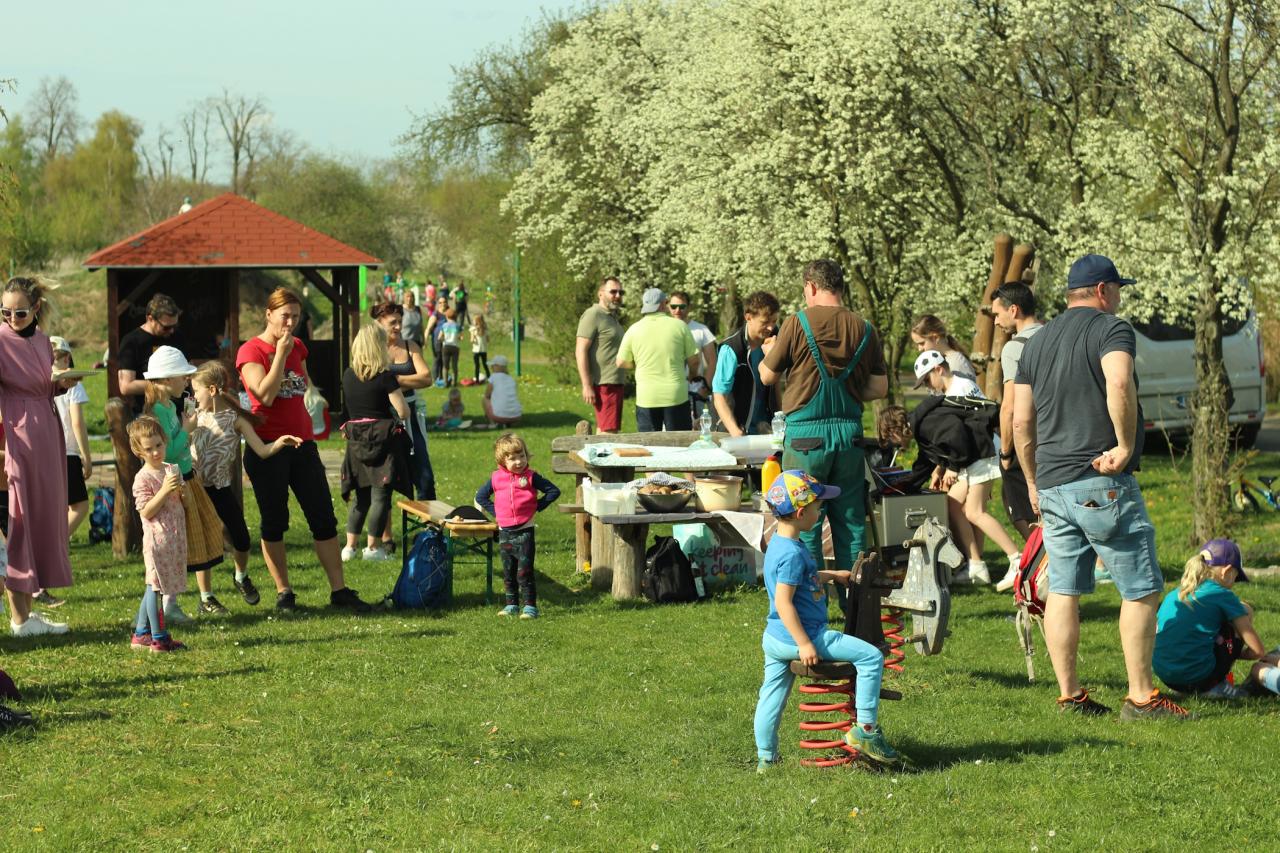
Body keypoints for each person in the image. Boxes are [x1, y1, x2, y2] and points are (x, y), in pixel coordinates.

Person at [1012, 253, 1189, 719]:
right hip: (1100, 478)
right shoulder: (1112, 329)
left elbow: (1021, 421)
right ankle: (1142, 696)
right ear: (1103, 290)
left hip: (1052, 483)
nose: (1119, 299)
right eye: (1118, 290)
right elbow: (1119, 383)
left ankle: (1070, 695)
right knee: (1141, 587)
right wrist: (1126, 446)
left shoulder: (1036, 342)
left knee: (1063, 589)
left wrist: (1031, 480)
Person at [752, 469, 904, 773]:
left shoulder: (778, 545)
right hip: (804, 635)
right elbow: (783, 602)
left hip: (775, 637)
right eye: (817, 507)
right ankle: (866, 731)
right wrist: (805, 643)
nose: (820, 512)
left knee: (771, 695)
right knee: (871, 657)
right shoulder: (793, 554)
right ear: (800, 513)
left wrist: (832, 575)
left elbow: (799, 580)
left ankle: (766, 758)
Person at [236, 287, 373, 614]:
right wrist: (280, 355)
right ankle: (284, 593)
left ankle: (339, 591)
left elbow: (303, 386)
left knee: (323, 517)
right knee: (274, 522)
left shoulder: (298, 346)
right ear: (268, 314)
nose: (291, 323)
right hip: (269, 447)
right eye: (285, 316)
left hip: (303, 444)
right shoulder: (251, 351)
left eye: (296, 317)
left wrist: (316, 407)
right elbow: (264, 395)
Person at [759, 260, 888, 575]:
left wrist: (769, 352)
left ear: (812, 286)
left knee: (803, 522)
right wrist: (848, 386)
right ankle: (856, 597)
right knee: (851, 523)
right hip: (849, 437)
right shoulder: (865, 328)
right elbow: (879, 387)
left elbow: (767, 376)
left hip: (806, 439)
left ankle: (810, 596)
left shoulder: (797, 323)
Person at [879, 387, 1019, 586]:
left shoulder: (925, 424)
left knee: (975, 512)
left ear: (893, 430)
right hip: (972, 457)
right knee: (952, 505)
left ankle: (1017, 560)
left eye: (891, 440)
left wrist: (952, 467)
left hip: (982, 452)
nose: (897, 446)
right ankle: (976, 567)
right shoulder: (921, 428)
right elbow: (924, 463)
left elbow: (957, 433)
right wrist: (901, 487)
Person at [190, 361, 302, 607]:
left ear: (211, 390)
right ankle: (206, 598)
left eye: (196, 391)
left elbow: (261, 450)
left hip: (220, 489)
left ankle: (240, 576)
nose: (193, 396)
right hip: (197, 489)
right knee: (205, 542)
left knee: (241, 539)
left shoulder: (235, 420)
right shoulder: (195, 417)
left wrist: (280, 442)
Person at [1, 277, 75, 637]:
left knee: (43, 519)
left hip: (47, 432)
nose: (12, 319)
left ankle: (27, 614)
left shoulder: (45, 341)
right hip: (18, 437)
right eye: (5, 312)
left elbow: (44, 385)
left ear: (35, 309)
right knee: (20, 523)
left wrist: (61, 383)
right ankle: (19, 620)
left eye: (19, 312)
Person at [143, 346, 229, 620]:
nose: (187, 381)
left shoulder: (170, 406)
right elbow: (165, 452)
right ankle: (167, 605)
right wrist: (187, 430)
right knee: (172, 543)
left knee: (187, 538)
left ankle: (173, 602)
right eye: (183, 376)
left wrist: (185, 430)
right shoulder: (157, 411)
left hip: (185, 477)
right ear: (168, 379)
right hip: (171, 484)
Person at [1154, 539, 1280, 699]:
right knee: (1245, 610)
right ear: (1227, 571)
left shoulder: (1175, 594)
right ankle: (1215, 686)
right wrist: (1240, 654)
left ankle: (1185, 687)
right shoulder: (1223, 594)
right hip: (1199, 678)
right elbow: (1258, 650)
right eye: (1235, 577)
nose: (1233, 584)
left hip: (1166, 676)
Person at [340, 324, 413, 563]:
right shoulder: (385, 376)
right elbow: (403, 411)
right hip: (383, 441)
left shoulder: (348, 375)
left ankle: (349, 548)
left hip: (356, 442)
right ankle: (372, 548)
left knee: (360, 496)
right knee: (380, 496)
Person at [990, 282, 1043, 590]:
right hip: (1061, 436)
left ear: (1014, 310)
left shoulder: (1015, 347)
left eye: (998, 314)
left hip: (1031, 439)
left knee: (1022, 507)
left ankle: (1040, 567)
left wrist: (1007, 453)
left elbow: (1010, 407)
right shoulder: (1054, 335)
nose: (996, 321)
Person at [475, 433, 561, 619]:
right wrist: (497, 512)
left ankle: (530, 607)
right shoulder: (496, 478)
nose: (519, 462)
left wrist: (536, 506)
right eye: (512, 458)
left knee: (524, 572)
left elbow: (553, 491)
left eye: (521, 456)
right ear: (502, 461)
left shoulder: (530, 477)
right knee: (509, 572)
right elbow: (480, 497)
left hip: (524, 532)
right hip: (504, 533)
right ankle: (511, 604)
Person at [127, 416, 188, 653]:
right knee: (155, 587)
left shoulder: (171, 469)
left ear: (165, 441)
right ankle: (159, 638)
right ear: (138, 451)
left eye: (159, 445)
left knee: (154, 585)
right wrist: (164, 490)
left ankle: (141, 633)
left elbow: (183, 502)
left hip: (173, 538)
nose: (155, 452)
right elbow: (146, 510)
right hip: (156, 541)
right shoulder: (142, 478)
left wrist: (182, 492)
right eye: (148, 449)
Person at [372, 302, 436, 505]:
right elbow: (368, 380)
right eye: (393, 322)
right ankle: (384, 524)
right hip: (382, 418)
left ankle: (429, 523)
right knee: (383, 481)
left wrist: (395, 381)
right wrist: (407, 381)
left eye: (400, 321)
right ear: (379, 322)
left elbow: (426, 378)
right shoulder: (372, 349)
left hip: (410, 417)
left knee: (425, 476)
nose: (399, 327)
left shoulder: (411, 346)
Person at [616, 287, 699, 432]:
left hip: (647, 396)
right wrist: (692, 375)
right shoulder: (680, 326)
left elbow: (621, 362)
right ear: (663, 304)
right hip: (676, 395)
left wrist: (638, 364)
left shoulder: (634, 329)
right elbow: (694, 360)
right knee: (679, 442)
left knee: (650, 443)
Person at [713, 291, 780, 437]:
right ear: (748, 317)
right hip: (738, 430)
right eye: (765, 322)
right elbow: (719, 396)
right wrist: (734, 431)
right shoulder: (732, 348)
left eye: (774, 321)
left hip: (768, 428)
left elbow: (779, 385)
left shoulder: (776, 339)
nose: (770, 327)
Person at [117, 293, 186, 416]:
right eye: (166, 327)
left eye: (175, 326)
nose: (172, 331)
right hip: (150, 413)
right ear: (150, 319)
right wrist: (164, 385)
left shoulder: (177, 336)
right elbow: (126, 386)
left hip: (179, 411)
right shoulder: (132, 341)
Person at [51, 336, 92, 542]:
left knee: (56, 504)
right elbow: (77, 422)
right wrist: (86, 456)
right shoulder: (73, 384)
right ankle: (56, 543)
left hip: (46, 452)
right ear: (67, 358)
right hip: (68, 452)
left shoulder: (41, 382)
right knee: (80, 506)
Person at [575, 277, 626, 434]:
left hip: (615, 383)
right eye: (613, 292)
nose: (618, 295)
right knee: (608, 434)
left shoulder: (611, 317)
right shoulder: (593, 314)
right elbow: (580, 350)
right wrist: (586, 385)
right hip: (605, 384)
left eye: (621, 292)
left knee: (606, 431)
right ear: (601, 293)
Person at [667, 290, 718, 422]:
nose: (677, 310)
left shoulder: (701, 330)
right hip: (670, 391)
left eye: (682, 306)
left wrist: (706, 388)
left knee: (696, 428)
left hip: (694, 391)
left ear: (689, 307)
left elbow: (712, 361)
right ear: (668, 307)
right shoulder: (663, 329)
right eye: (673, 306)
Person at [911, 314, 976, 387]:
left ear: (935, 338)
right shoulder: (938, 360)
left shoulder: (956, 363)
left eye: (922, 343)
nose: (919, 349)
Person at [913, 349, 983, 398]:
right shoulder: (943, 394)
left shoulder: (962, 388)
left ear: (939, 370)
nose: (927, 386)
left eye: (927, 380)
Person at [483, 355, 522, 427]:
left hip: (498, 417)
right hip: (517, 416)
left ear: (497, 366)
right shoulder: (511, 379)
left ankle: (492, 423)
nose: (491, 368)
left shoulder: (493, 377)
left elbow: (487, 395)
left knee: (485, 399)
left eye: (493, 366)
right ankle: (508, 422)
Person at [425, 295, 449, 386]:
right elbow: (428, 328)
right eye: (440, 302)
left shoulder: (449, 313)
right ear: (438, 304)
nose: (443, 304)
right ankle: (434, 379)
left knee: (444, 359)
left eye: (444, 302)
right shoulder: (436, 314)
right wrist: (425, 340)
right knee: (437, 359)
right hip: (437, 341)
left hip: (447, 341)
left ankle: (442, 378)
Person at [440, 308, 462, 386]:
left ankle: (445, 382)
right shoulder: (457, 326)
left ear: (446, 316)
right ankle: (454, 382)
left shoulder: (444, 325)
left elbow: (440, 337)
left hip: (446, 346)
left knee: (445, 366)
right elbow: (461, 337)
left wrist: (442, 339)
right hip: (455, 346)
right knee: (454, 365)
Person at [470, 314, 490, 383]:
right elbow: (488, 340)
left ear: (477, 321)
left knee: (477, 366)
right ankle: (489, 378)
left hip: (476, 350)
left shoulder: (473, 329)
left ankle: (477, 380)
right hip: (483, 349)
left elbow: (471, 340)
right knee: (485, 364)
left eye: (474, 320)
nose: (473, 321)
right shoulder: (485, 329)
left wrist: (474, 338)